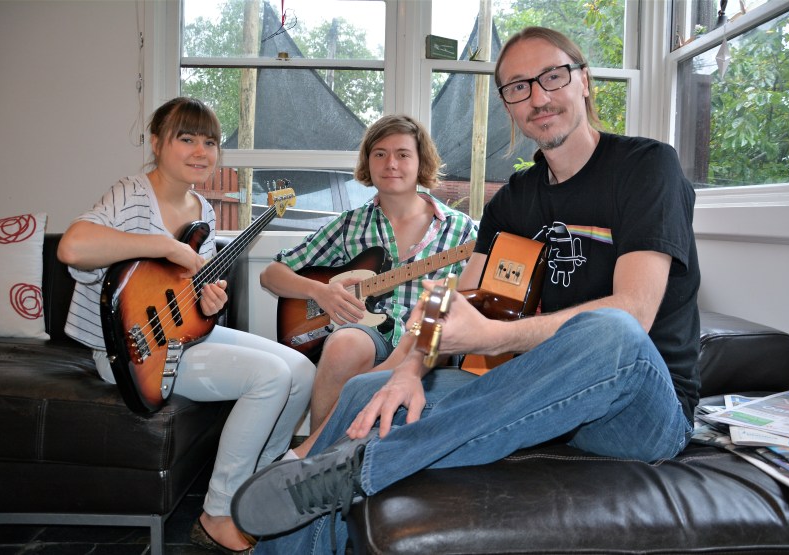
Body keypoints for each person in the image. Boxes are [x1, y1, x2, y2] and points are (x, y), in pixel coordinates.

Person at [231, 26, 701, 555]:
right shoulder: (513, 202)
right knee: (368, 392)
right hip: (542, 396)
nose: (538, 97)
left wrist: (493, 336)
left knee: (612, 330)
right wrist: (409, 370)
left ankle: (369, 466)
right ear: (508, 106)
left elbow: (636, 313)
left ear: (584, 82)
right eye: (518, 87)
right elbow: (453, 304)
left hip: (637, 405)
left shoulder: (645, 166)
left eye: (552, 77)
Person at [57, 97, 315, 554]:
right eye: (187, 138)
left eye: (211, 142)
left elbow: (193, 292)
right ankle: (216, 514)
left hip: (184, 336)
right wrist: (165, 245)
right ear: (157, 142)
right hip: (130, 350)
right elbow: (73, 248)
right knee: (269, 377)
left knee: (301, 371)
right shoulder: (132, 192)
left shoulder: (203, 208)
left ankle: (257, 486)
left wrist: (210, 300)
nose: (201, 151)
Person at [260, 114, 476, 434]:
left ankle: (317, 452)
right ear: (368, 163)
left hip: (426, 344)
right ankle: (320, 460)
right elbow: (271, 274)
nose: (391, 163)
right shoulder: (351, 224)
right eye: (380, 154)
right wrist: (321, 293)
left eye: (403, 154)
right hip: (368, 336)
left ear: (421, 162)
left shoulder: (463, 231)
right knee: (343, 345)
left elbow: (470, 303)